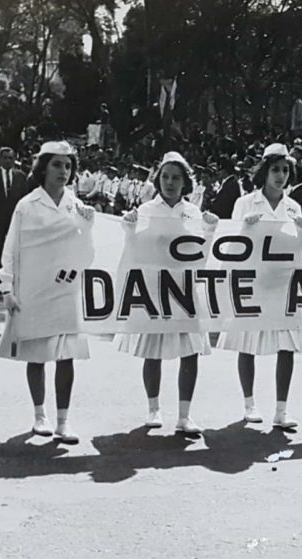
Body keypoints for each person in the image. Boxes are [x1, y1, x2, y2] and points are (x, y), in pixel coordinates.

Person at [0, 141, 96, 444]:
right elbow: (11, 249)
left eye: (68, 166)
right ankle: (40, 415)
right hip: (33, 288)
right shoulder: (27, 205)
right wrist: (7, 288)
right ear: (43, 167)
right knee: (37, 354)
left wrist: (88, 224)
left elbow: (86, 252)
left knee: (66, 356)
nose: (63, 172)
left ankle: (64, 421)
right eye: (56, 165)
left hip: (65, 288)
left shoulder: (77, 206)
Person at [118, 152, 219, 434]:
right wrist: (129, 229)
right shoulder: (147, 210)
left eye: (176, 177)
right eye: (165, 177)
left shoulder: (194, 212)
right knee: (153, 351)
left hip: (185, 289)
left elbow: (201, 257)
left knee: (191, 352)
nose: (170, 182)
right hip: (156, 289)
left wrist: (210, 231)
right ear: (157, 179)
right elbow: (135, 250)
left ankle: (185, 416)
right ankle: (153, 409)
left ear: (186, 181)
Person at [217, 144, 302, 428]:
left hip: (282, 284)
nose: (280, 176)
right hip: (252, 282)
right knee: (248, 342)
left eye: (285, 170)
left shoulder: (294, 207)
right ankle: (249, 404)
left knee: (287, 345)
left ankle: (282, 409)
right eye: (275, 170)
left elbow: (300, 256)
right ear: (264, 171)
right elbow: (231, 248)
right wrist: (244, 229)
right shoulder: (245, 203)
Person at [0, 147, 29, 295]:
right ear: (0, 159)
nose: (8, 160)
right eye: (5, 158)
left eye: (11, 158)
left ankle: (14, 282)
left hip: (15, 220)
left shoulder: (20, 176)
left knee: (15, 252)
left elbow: (26, 199)